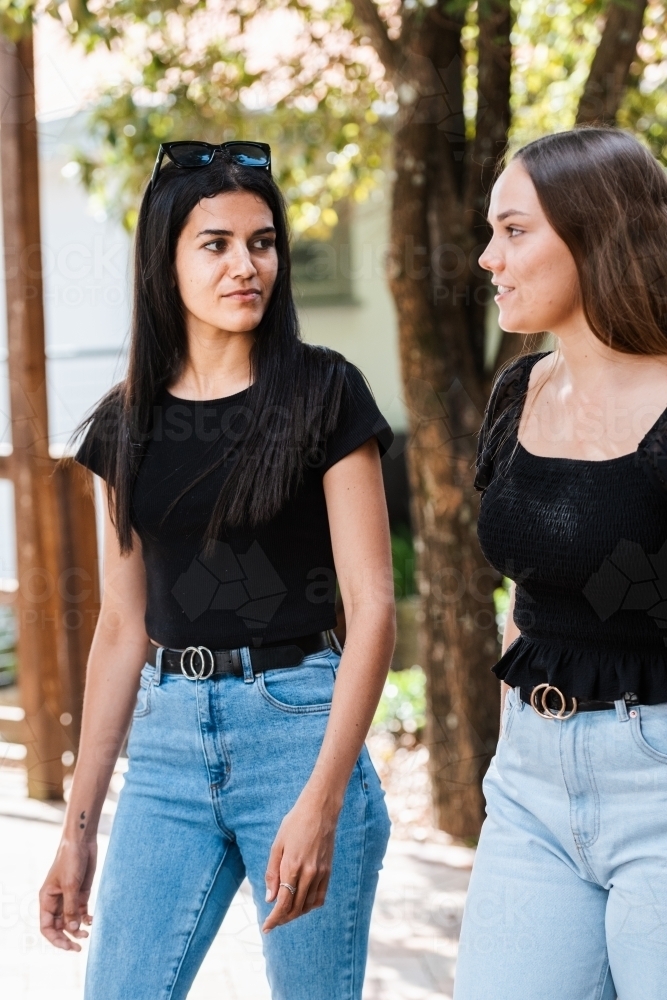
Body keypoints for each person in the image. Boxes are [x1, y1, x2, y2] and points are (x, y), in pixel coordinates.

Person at [38, 140, 395, 1000]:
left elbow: (372, 605)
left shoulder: (324, 393)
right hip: (165, 749)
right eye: (217, 244)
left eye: (263, 242)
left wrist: (324, 798)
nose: (248, 265)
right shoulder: (123, 427)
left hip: (299, 731)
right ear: (165, 264)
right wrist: (79, 828)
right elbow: (122, 626)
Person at [454, 128, 667, 1000]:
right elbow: (526, 591)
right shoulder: (519, 390)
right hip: (530, 787)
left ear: (592, 234)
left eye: (512, 232)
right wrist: (515, 744)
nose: (485, 257)